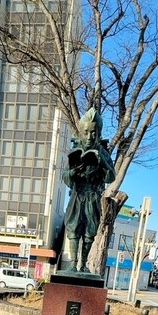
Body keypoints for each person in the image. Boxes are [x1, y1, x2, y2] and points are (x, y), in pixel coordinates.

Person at [62, 108, 115, 273]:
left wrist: (102, 162)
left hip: (93, 197)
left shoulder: (103, 152)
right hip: (77, 196)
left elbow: (111, 176)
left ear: (98, 133)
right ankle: (72, 264)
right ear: (81, 132)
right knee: (73, 229)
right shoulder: (75, 150)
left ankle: (84, 264)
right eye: (86, 132)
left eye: (93, 132)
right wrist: (73, 173)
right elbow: (65, 175)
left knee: (89, 231)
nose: (90, 136)